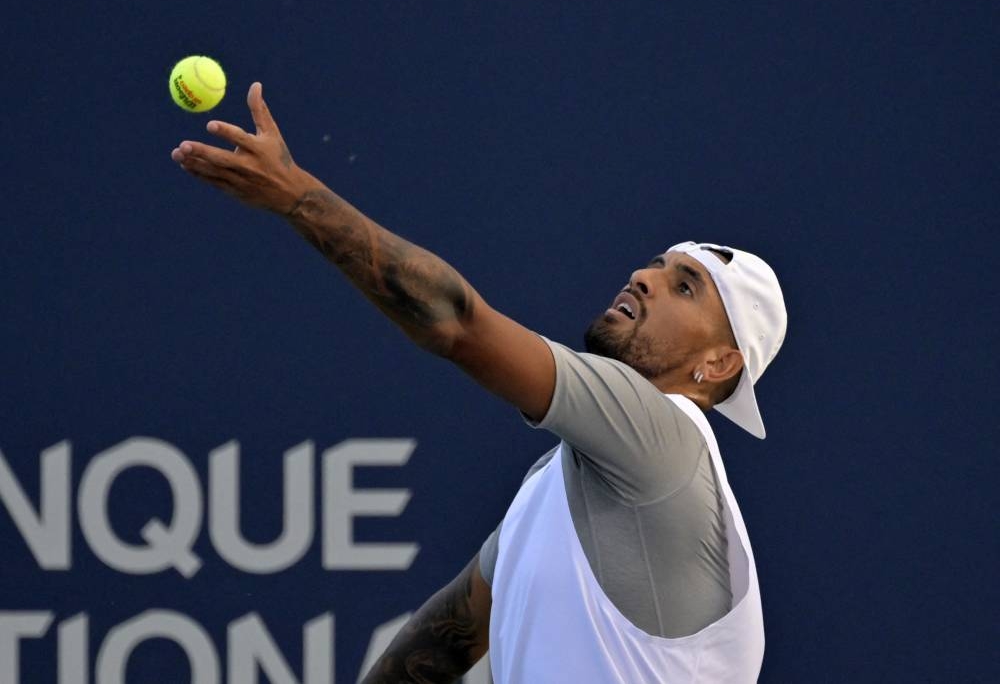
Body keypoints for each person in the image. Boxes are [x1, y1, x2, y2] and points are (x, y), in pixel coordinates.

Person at [172, 83, 787, 684]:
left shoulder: (665, 438)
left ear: (719, 364)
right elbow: (449, 634)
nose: (643, 278)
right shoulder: (565, 479)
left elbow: (458, 324)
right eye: (656, 265)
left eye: (685, 287)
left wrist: (296, 196)